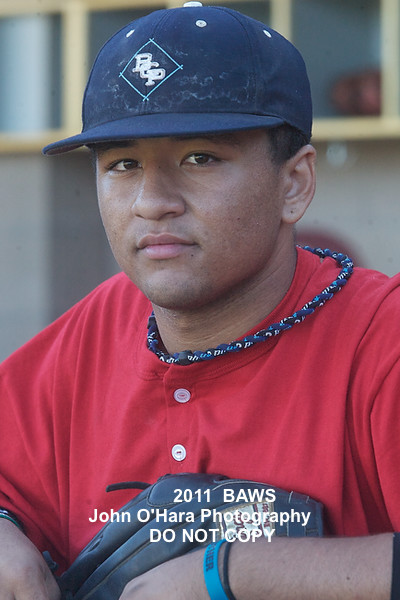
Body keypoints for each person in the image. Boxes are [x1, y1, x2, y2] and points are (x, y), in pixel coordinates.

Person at [0, 2, 399, 598]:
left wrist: (230, 572)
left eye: (200, 158)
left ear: (294, 184)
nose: (151, 201)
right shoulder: (98, 325)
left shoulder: (382, 338)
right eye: (123, 164)